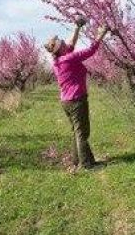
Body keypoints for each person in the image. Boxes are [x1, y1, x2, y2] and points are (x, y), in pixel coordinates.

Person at [45, 18, 109, 170]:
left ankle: (77, 160)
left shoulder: (59, 60)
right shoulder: (69, 58)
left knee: (76, 131)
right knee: (82, 132)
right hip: (76, 100)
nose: (63, 42)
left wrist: (77, 27)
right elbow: (90, 51)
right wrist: (100, 35)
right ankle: (86, 164)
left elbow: (71, 44)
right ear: (60, 48)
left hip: (66, 101)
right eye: (61, 42)